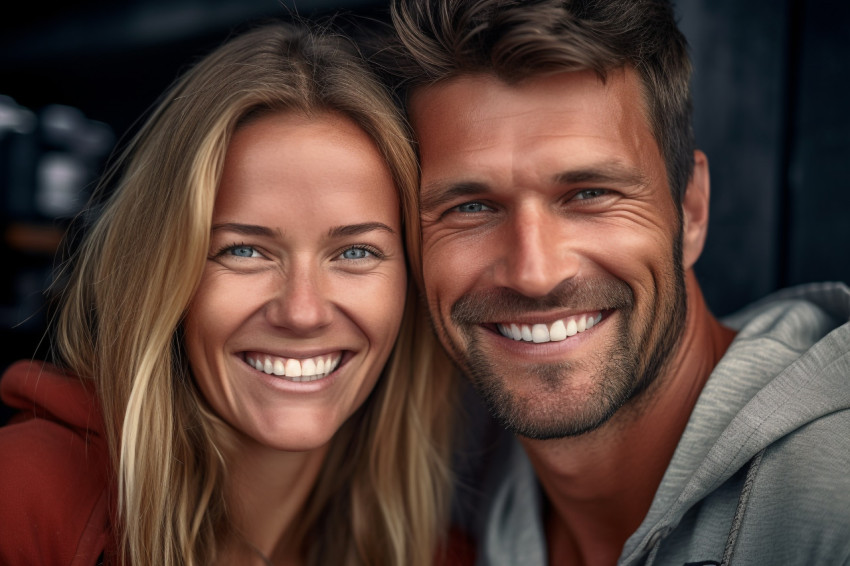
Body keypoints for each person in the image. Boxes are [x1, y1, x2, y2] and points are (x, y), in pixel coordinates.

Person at [376, 1, 850, 564]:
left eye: (590, 194)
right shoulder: (457, 495)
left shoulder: (831, 503)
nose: (535, 273)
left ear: (691, 209)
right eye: (471, 207)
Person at [0, 19, 470, 566]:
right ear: (159, 273)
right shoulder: (24, 502)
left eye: (355, 252)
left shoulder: (440, 555)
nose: (302, 311)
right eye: (244, 251)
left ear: (409, 284)